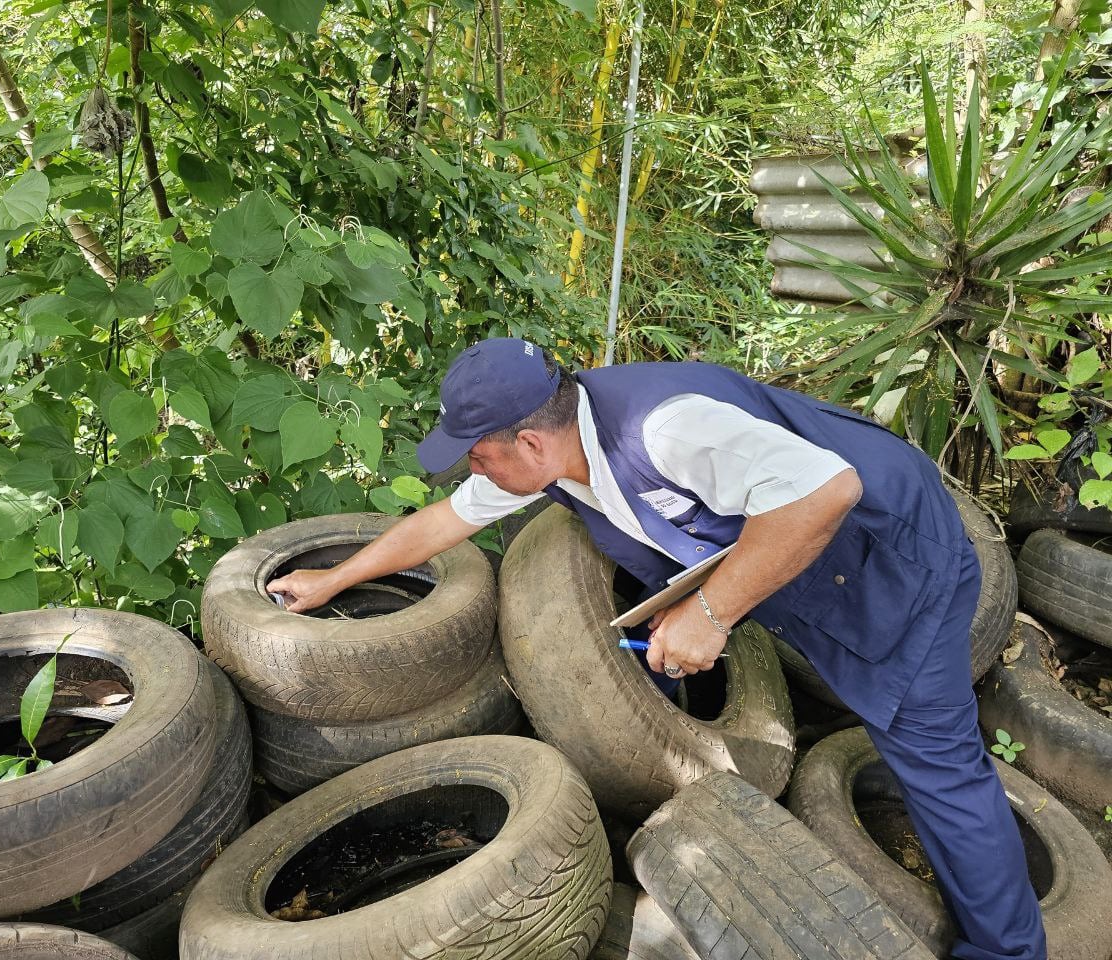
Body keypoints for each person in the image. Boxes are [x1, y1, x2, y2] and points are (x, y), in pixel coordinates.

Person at [268, 338, 1045, 960]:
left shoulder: (664, 428)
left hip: (896, 557)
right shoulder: (555, 454)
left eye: (477, 454)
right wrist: (336, 579)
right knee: (881, 712)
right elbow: (445, 523)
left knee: (933, 759)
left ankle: (1010, 948)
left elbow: (824, 492)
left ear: (530, 441)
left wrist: (709, 613)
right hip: (824, 571)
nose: (474, 469)